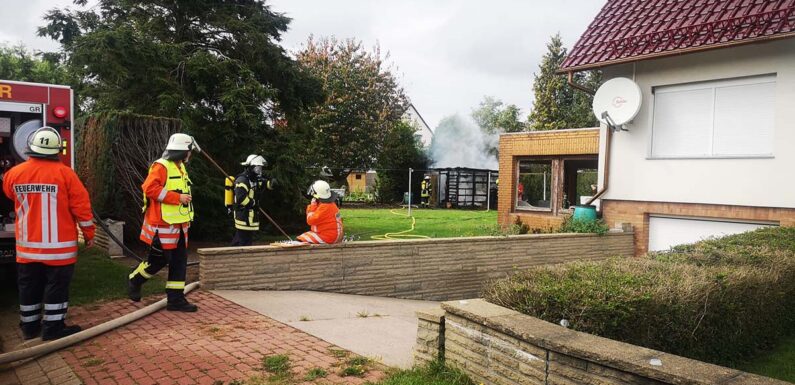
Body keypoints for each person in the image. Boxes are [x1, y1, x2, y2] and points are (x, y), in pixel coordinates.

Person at [2, 127, 96, 340]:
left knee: (29, 286)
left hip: (27, 248)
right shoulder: (66, 174)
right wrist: (89, 234)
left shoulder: (14, 174)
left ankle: (29, 328)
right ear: (57, 150)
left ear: (31, 147)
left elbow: (9, 194)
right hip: (59, 250)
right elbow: (82, 208)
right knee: (57, 287)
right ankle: (53, 329)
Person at [127, 133, 199, 312]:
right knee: (158, 261)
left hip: (180, 224)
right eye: (189, 151)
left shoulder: (180, 166)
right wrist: (177, 198)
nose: (190, 154)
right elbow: (149, 188)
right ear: (182, 151)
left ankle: (175, 300)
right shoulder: (161, 166)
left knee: (179, 261)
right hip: (162, 224)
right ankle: (135, 279)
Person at [231, 154, 275, 246]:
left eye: (260, 168)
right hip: (243, 217)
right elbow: (241, 198)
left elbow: (263, 183)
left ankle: (238, 254)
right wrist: (253, 203)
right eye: (258, 168)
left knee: (243, 242)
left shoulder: (254, 179)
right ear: (251, 167)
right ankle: (238, 255)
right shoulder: (242, 180)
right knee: (242, 243)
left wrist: (271, 184)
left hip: (249, 218)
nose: (260, 170)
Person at [296, 180, 343, 244]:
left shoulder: (324, 207)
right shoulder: (330, 204)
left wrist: (312, 206)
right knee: (306, 236)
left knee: (300, 239)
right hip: (334, 235)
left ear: (317, 195)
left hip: (328, 236)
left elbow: (310, 220)